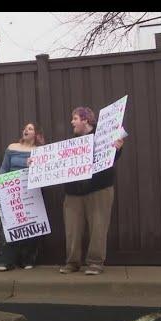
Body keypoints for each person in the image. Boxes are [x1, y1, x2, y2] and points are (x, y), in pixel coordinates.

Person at [59, 106, 125, 275]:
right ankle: (72, 262)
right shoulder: (72, 143)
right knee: (72, 229)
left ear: (85, 120)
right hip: (73, 191)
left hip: (99, 188)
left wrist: (117, 148)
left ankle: (95, 263)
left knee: (98, 226)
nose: (72, 122)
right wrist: (36, 163)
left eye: (75, 118)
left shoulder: (103, 136)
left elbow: (111, 158)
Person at [0, 123, 45, 271]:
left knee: (31, 225)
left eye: (30, 128)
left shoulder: (40, 151)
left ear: (36, 134)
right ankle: (5, 261)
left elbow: (45, 172)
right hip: (11, 192)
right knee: (8, 225)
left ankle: (27, 259)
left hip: (31, 192)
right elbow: (4, 168)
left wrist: (35, 166)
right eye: (25, 128)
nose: (26, 130)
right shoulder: (12, 147)